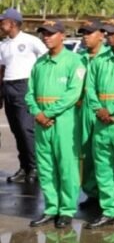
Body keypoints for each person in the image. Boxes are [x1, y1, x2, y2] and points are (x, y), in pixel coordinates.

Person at [26, 19, 86, 229]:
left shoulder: (74, 61)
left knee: (66, 166)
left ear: (62, 35)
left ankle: (67, 210)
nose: (46, 37)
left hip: (64, 122)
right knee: (46, 166)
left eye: (50, 33)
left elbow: (73, 94)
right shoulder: (40, 63)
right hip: (42, 123)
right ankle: (51, 208)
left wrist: (48, 113)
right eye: (43, 33)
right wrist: (37, 112)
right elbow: (30, 92)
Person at [84, 15, 114, 232]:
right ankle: (109, 211)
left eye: (113, 33)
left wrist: (111, 109)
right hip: (101, 122)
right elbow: (89, 88)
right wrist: (99, 109)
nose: (108, 36)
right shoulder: (99, 60)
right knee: (104, 169)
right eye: (106, 32)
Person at [0, 8, 47, 183]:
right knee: (16, 130)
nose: (0, 24)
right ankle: (24, 166)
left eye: (3, 21)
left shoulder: (30, 40)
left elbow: (46, 59)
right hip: (8, 86)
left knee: (26, 129)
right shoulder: (3, 44)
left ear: (12, 23)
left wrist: (38, 83)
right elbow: (2, 68)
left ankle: (35, 167)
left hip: (24, 85)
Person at [76, 19, 109, 209]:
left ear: (101, 35)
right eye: (83, 33)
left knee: (104, 156)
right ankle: (92, 192)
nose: (85, 37)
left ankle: (109, 195)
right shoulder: (79, 58)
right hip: (82, 111)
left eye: (89, 33)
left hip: (102, 111)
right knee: (86, 154)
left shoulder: (108, 56)